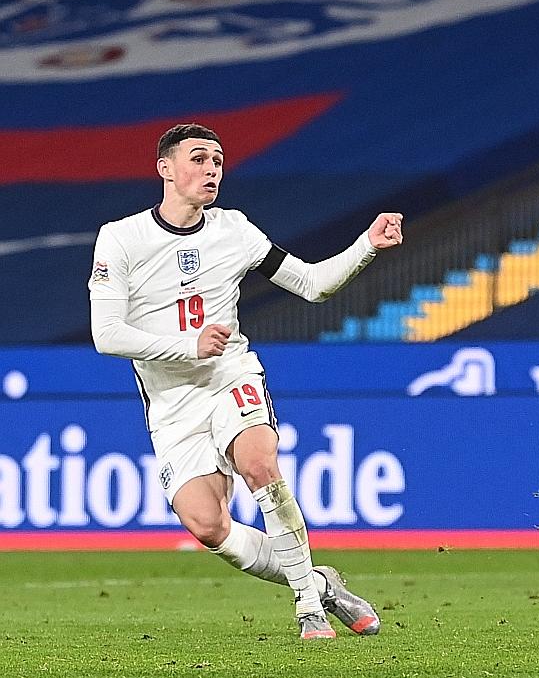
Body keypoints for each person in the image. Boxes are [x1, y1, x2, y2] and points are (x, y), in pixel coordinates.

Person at [88, 123, 400, 639]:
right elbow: (106, 334)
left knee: (258, 461)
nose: (212, 169)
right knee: (207, 525)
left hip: (229, 375)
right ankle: (321, 583)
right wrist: (187, 346)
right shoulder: (121, 238)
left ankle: (308, 609)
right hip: (172, 402)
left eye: (218, 160)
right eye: (198, 158)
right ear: (165, 168)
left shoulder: (235, 229)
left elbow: (313, 285)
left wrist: (367, 243)